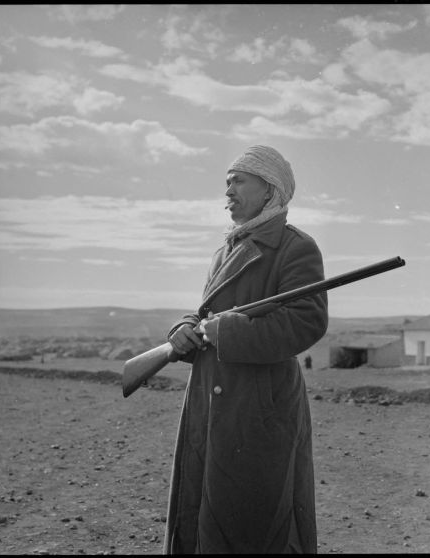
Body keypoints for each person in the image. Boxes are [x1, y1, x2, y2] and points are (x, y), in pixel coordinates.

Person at [163, 145, 328, 554]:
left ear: (269, 188)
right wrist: (184, 330)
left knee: (258, 522)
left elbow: (306, 322)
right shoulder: (227, 248)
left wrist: (229, 332)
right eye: (227, 182)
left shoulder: (295, 247)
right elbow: (207, 314)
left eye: (238, 181)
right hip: (210, 400)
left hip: (258, 406)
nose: (228, 191)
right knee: (203, 517)